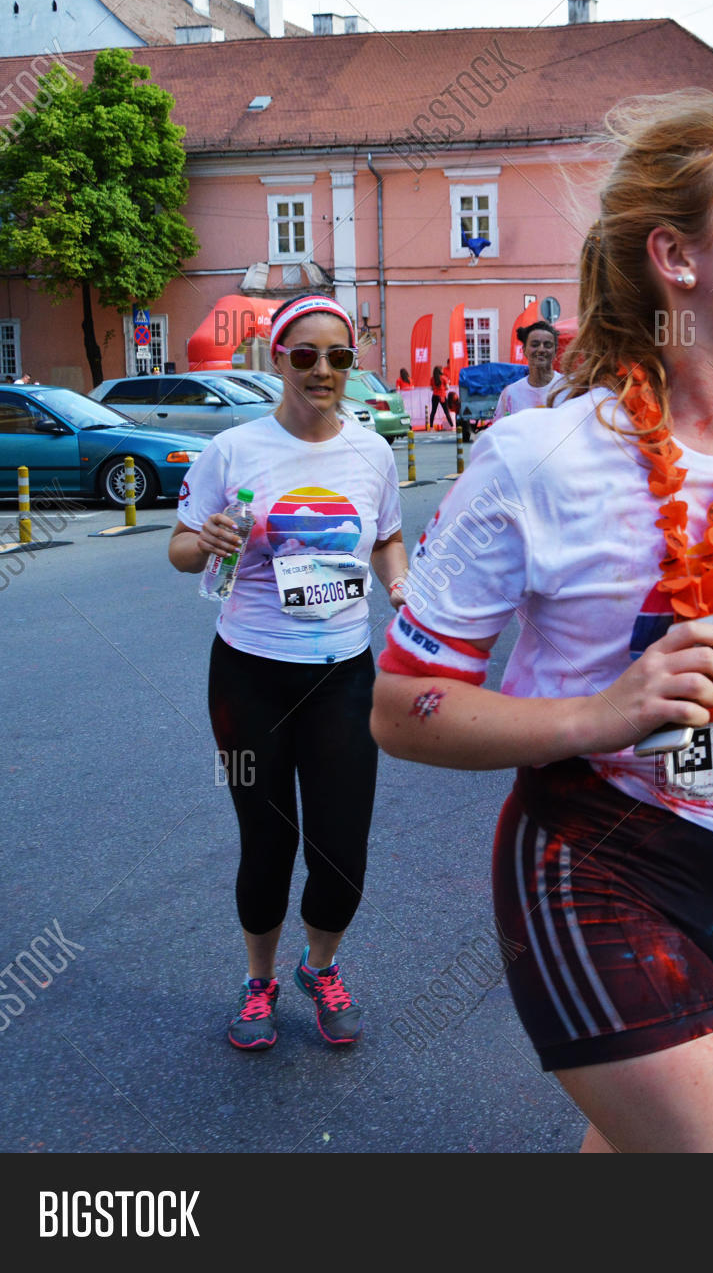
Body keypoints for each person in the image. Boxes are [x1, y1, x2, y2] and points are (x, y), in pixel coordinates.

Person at [369, 91, 713, 1153]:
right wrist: (603, 712)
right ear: (677, 257)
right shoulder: (542, 458)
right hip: (598, 865)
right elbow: (402, 711)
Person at [167, 293, 408, 1050]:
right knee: (266, 843)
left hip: (342, 674)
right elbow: (177, 549)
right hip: (249, 674)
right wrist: (202, 538)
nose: (323, 370)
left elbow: (388, 539)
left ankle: (320, 967)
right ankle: (260, 980)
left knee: (342, 849)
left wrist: (399, 584)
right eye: (305, 355)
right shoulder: (233, 450)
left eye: (338, 357)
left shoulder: (372, 453)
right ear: (277, 360)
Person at [501, 321, 566, 416]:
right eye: (535, 345)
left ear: (555, 351)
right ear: (524, 350)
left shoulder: (568, 388)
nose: (541, 350)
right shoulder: (510, 394)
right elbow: (500, 428)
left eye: (547, 345)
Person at [428, 363, 449, 430]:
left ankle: (431, 427)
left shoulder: (432, 378)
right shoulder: (444, 378)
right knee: (446, 411)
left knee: (433, 411)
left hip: (435, 396)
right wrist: (443, 389)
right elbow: (447, 387)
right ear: (440, 370)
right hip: (442, 395)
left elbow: (431, 388)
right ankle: (451, 425)